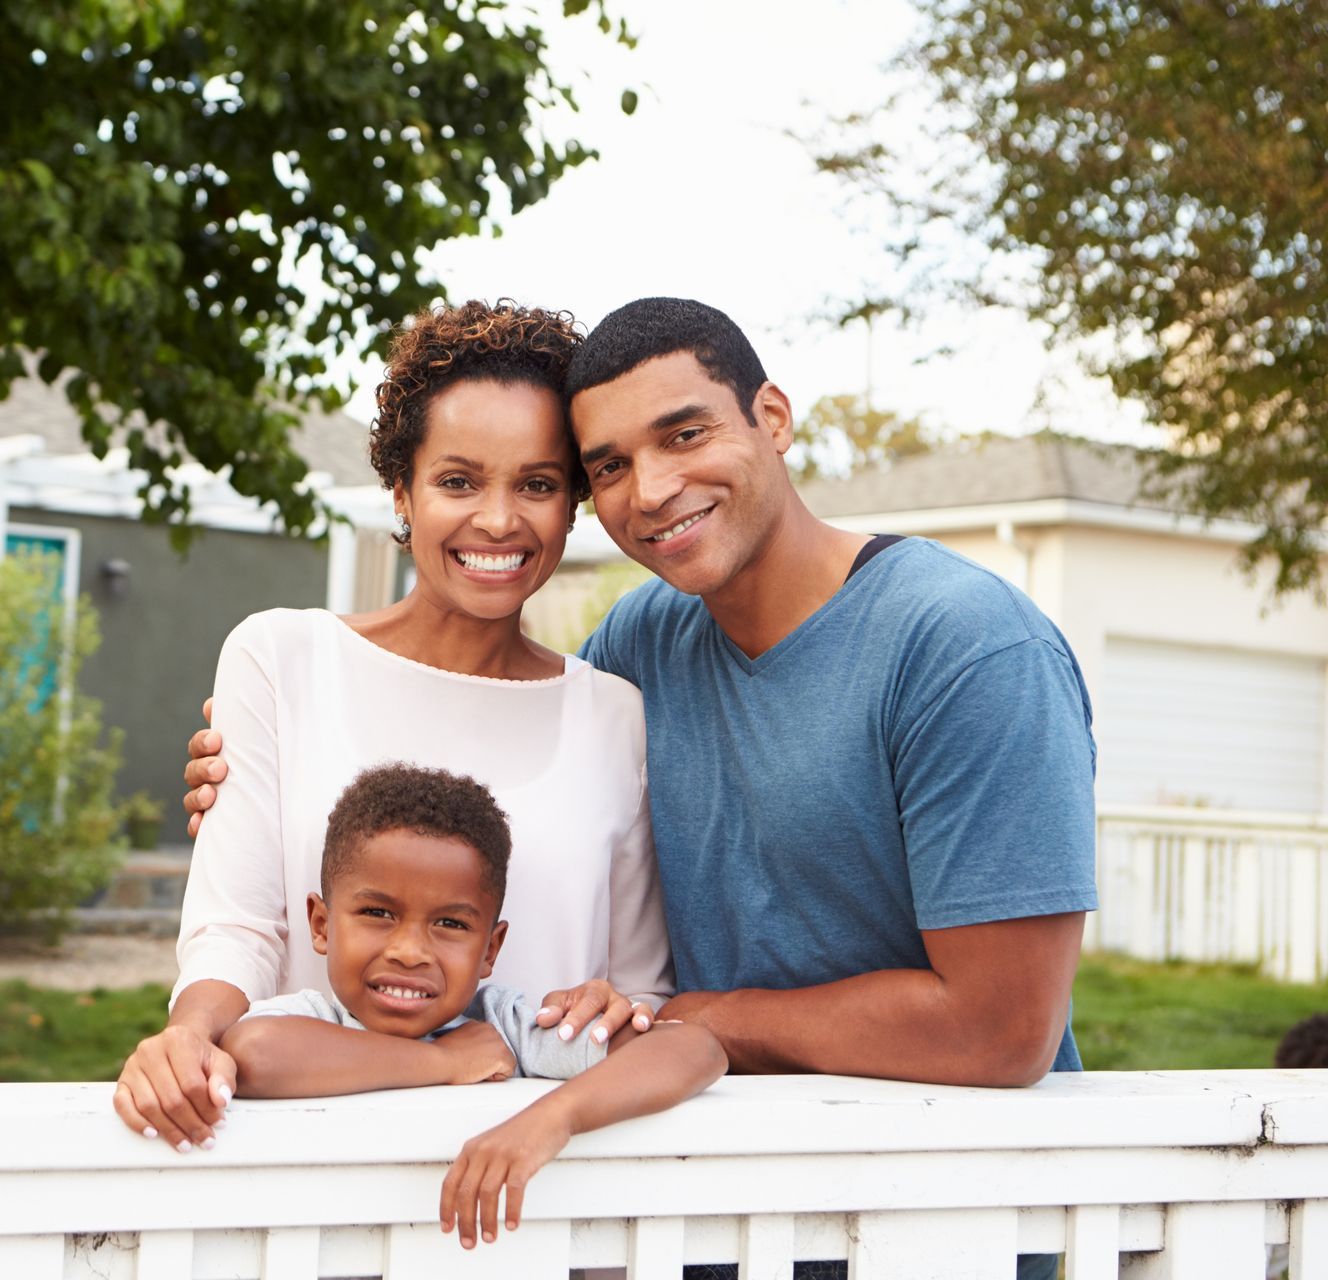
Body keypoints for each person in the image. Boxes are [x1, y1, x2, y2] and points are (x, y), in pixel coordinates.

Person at [185, 297, 1098, 1280]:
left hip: (936, 1209)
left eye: (686, 433)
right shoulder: (640, 651)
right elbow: (490, 777)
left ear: (776, 418)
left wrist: (696, 1014)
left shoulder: (967, 648)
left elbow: (1004, 1029)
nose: (653, 488)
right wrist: (250, 783)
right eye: (611, 464)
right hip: (699, 1212)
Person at [113, 300, 677, 1152]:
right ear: (402, 493)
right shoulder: (280, 658)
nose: (498, 520)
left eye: (537, 484)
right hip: (315, 1159)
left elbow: (644, 988)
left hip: (540, 1183)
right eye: (458, 481)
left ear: (572, 506)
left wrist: (625, 1008)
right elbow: (238, 924)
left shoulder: (614, 713)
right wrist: (191, 1036)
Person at [223, 762, 726, 1250]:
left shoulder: (505, 1031)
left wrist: (550, 1120)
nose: (409, 950)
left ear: (490, 949)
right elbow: (254, 1053)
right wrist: (443, 1061)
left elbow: (694, 1049)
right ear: (322, 925)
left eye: (450, 924)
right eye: (377, 912)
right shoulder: (315, 1019)